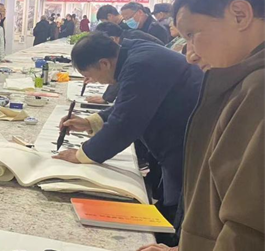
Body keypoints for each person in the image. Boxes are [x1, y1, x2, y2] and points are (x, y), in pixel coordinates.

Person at [139, 0, 265, 251]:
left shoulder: (259, 91)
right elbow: (225, 198)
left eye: (193, 34)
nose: (190, 53)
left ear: (240, 14)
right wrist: (192, 250)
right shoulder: (241, 84)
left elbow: (252, 230)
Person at [54, 33, 203, 222]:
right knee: (170, 203)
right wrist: (90, 122)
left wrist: (81, 155)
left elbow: (125, 124)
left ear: (104, 64)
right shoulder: (133, 53)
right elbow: (132, 102)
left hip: (189, 142)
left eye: (90, 76)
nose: (93, 81)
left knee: (181, 211)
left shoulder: (141, 65)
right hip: (181, 135)